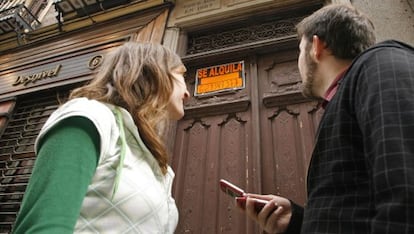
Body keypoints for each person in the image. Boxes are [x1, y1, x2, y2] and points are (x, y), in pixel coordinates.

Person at [237, 3, 414, 233]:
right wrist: (297, 221)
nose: (298, 62)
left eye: (299, 50)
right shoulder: (350, 92)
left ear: (316, 47)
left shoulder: (382, 65)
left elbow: (406, 191)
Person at [13, 42, 190, 233]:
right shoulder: (89, 115)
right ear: (155, 71)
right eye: (182, 75)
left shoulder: (156, 163)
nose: (188, 92)